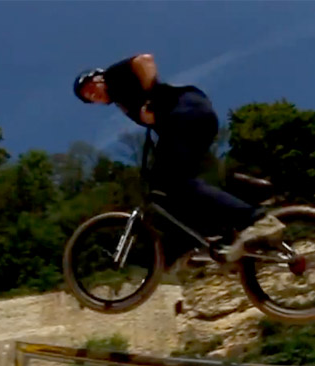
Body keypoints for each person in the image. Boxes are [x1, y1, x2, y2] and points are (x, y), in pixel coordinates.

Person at [73, 53, 284, 262]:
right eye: (89, 98)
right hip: (191, 120)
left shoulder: (113, 77)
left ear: (99, 78)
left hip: (186, 113)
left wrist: (151, 96)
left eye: (91, 89)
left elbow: (144, 60)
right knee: (178, 185)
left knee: (175, 181)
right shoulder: (123, 101)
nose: (94, 96)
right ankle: (237, 212)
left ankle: (256, 218)